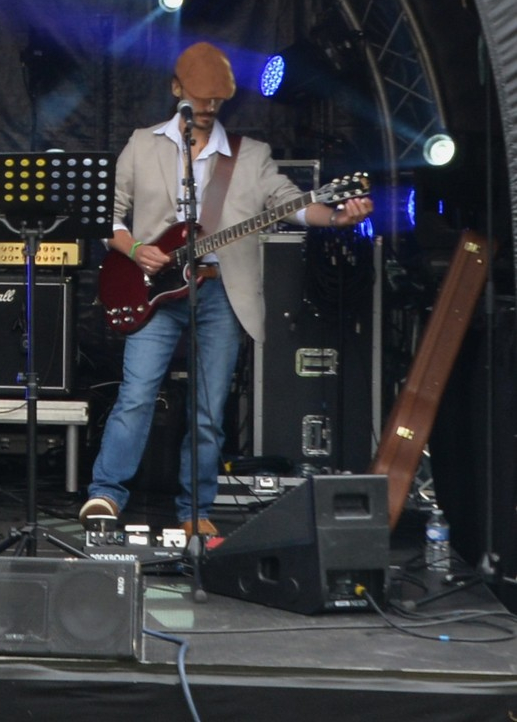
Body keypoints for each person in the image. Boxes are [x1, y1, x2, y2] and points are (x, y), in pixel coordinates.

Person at [79, 42, 373, 538]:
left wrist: (336, 216)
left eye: (217, 99)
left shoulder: (250, 155)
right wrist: (136, 250)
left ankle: (195, 508)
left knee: (209, 410)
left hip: (221, 292)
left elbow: (289, 203)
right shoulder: (143, 144)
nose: (209, 106)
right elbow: (106, 213)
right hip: (153, 291)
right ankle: (106, 493)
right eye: (200, 96)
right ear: (176, 89)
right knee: (136, 395)